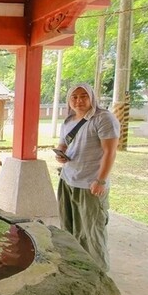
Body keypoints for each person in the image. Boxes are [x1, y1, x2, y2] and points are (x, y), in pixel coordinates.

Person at [55, 83, 119, 271]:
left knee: (92, 231)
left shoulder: (103, 119)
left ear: (92, 97)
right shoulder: (68, 121)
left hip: (90, 184)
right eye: (74, 97)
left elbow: (110, 152)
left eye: (84, 96)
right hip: (68, 180)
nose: (79, 100)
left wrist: (100, 180)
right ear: (69, 100)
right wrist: (60, 153)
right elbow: (63, 145)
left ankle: (98, 274)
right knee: (69, 227)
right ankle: (76, 266)